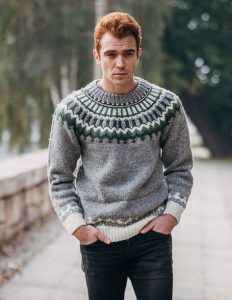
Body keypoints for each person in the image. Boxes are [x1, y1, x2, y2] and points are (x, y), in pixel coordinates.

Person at [47, 12, 193, 300]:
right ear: (97, 55)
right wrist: (78, 227)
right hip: (99, 242)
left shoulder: (167, 105)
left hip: (152, 238)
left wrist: (170, 217)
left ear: (138, 53)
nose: (120, 63)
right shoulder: (71, 111)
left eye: (128, 53)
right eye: (111, 53)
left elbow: (180, 168)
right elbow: (59, 178)